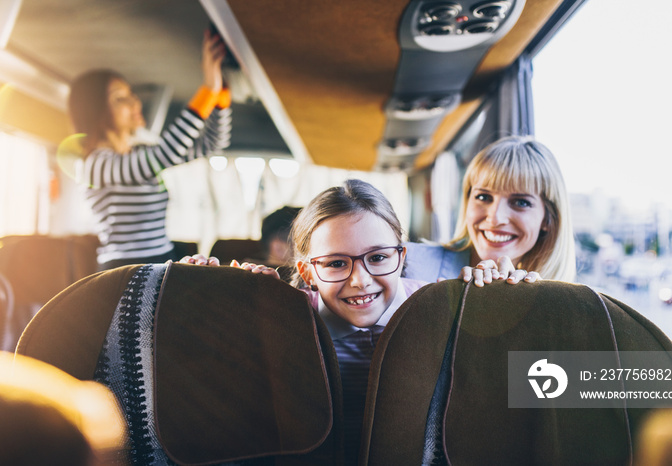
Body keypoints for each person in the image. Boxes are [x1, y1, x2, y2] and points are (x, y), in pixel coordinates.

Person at [181, 178, 536, 463]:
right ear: (307, 272)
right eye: (336, 263)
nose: (360, 281)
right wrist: (205, 299)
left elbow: (534, 390)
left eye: (378, 257)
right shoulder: (284, 319)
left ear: (402, 255)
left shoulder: (446, 309)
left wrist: (515, 308)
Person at [67, 29, 232, 271]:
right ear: (95, 110)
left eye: (131, 95)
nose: (134, 102)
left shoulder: (138, 154)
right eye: (120, 98)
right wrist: (207, 89)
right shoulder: (95, 164)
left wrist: (221, 96)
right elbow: (166, 153)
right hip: (123, 271)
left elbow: (213, 143)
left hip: (164, 260)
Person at [404, 135, 576, 283]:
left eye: (521, 202)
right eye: (483, 197)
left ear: (548, 219)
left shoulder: (554, 305)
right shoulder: (405, 264)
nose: (495, 218)